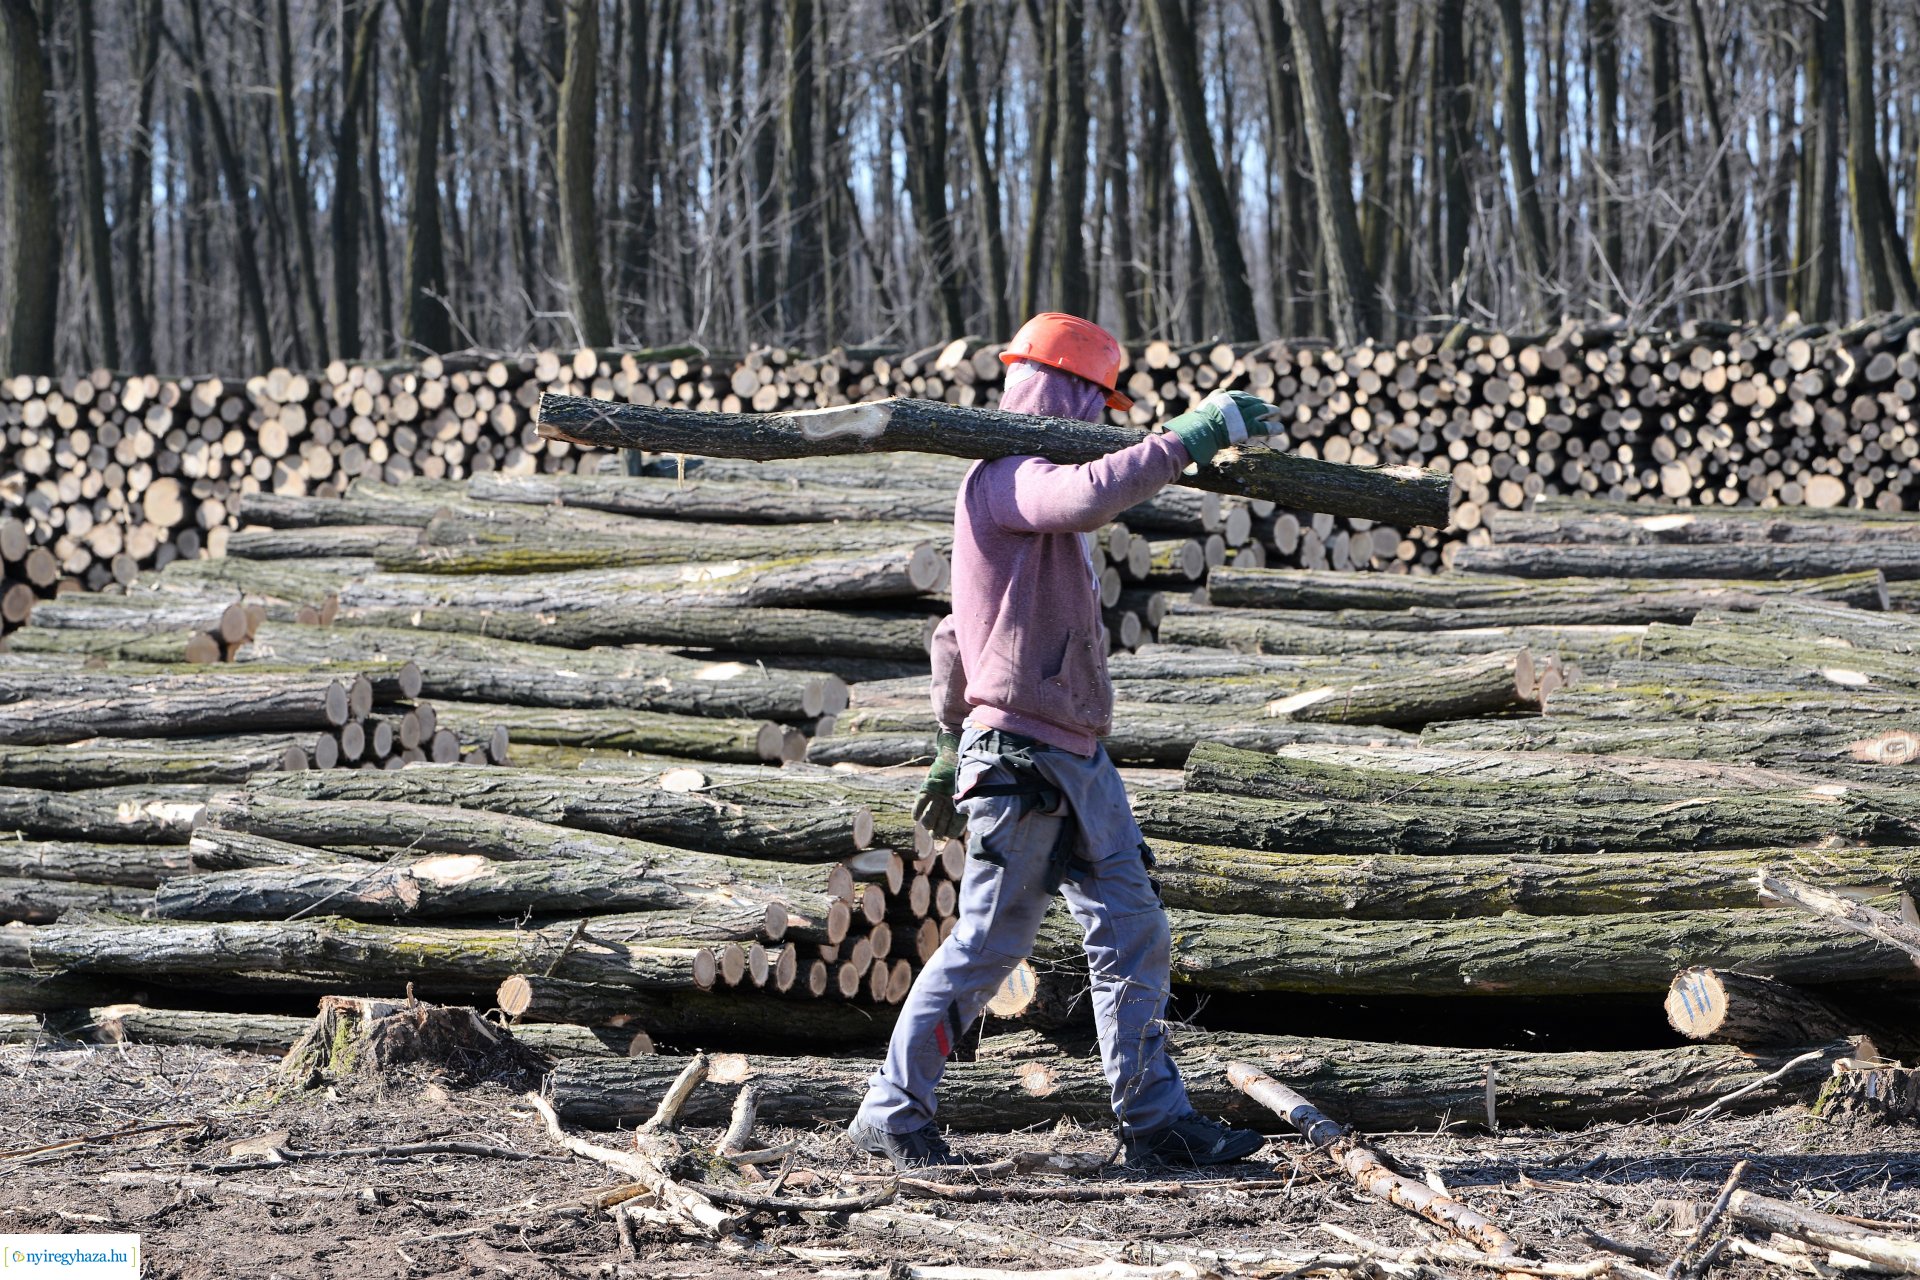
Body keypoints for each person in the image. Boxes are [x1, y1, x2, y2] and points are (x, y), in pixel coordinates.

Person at [846, 312, 1276, 1171]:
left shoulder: (1025, 494)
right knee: (988, 946)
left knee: (1134, 931)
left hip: (1076, 755)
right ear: (1069, 393)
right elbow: (1082, 493)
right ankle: (890, 1116)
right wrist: (1186, 438)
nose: (1107, 422)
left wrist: (943, 734)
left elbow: (952, 635)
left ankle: (1153, 1124)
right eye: (1099, 402)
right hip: (1021, 759)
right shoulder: (1008, 477)